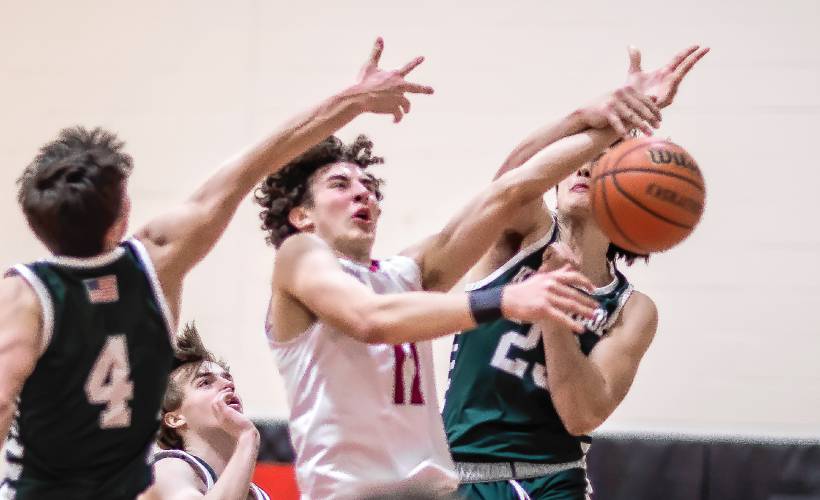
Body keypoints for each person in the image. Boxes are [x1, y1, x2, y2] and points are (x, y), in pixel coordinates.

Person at [0, 38, 432, 499]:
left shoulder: (24, 295)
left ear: (36, 223)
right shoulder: (157, 260)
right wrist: (353, 99)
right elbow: (255, 162)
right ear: (123, 209)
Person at [257, 54, 663, 497]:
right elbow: (370, 319)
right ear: (300, 215)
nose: (362, 192)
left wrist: (606, 119)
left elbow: (505, 192)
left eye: (369, 186)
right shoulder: (300, 256)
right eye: (340, 184)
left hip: (447, 489)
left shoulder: (404, 274)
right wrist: (506, 301)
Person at [442, 45, 709, 499]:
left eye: (603, 160)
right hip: (465, 476)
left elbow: (582, 414)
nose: (583, 166)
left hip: (553, 481)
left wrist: (553, 311)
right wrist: (589, 116)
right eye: (576, 161)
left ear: (630, 189)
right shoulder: (522, 235)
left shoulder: (631, 309)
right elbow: (508, 180)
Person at [139, 323, 268, 500]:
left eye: (227, 378)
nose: (228, 385)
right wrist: (247, 438)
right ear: (175, 418)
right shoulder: (166, 469)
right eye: (205, 383)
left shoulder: (256, 494)